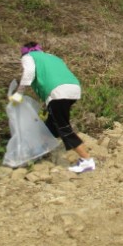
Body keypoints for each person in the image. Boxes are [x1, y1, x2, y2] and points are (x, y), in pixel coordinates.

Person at [9, 42, 95, 173]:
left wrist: (19, 93)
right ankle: (37, 155)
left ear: (24, 52)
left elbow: (29, 73)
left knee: (63, 127)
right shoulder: (52, 57)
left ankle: (87, 161)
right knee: (50, 127)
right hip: (73, 88)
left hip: (58, 92)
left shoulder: (28, 57)